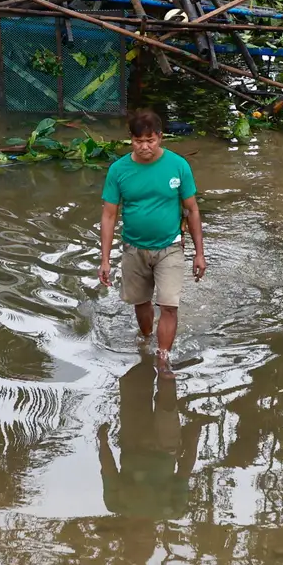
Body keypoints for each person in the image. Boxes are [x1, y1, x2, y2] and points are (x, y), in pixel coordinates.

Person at [99, 109, 206, 373]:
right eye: (138, 141)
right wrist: (104, 259)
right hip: (134, 248)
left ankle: (163, 359)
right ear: (130, 140)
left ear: (160, 137)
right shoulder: (118, 170)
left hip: (170, 247)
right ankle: (147, 339)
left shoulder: (178, 166)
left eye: (150, 141)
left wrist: (199, 253)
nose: (145, 147)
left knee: (169, 305)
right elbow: (109, 215)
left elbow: (192, 210)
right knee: (141, 303)